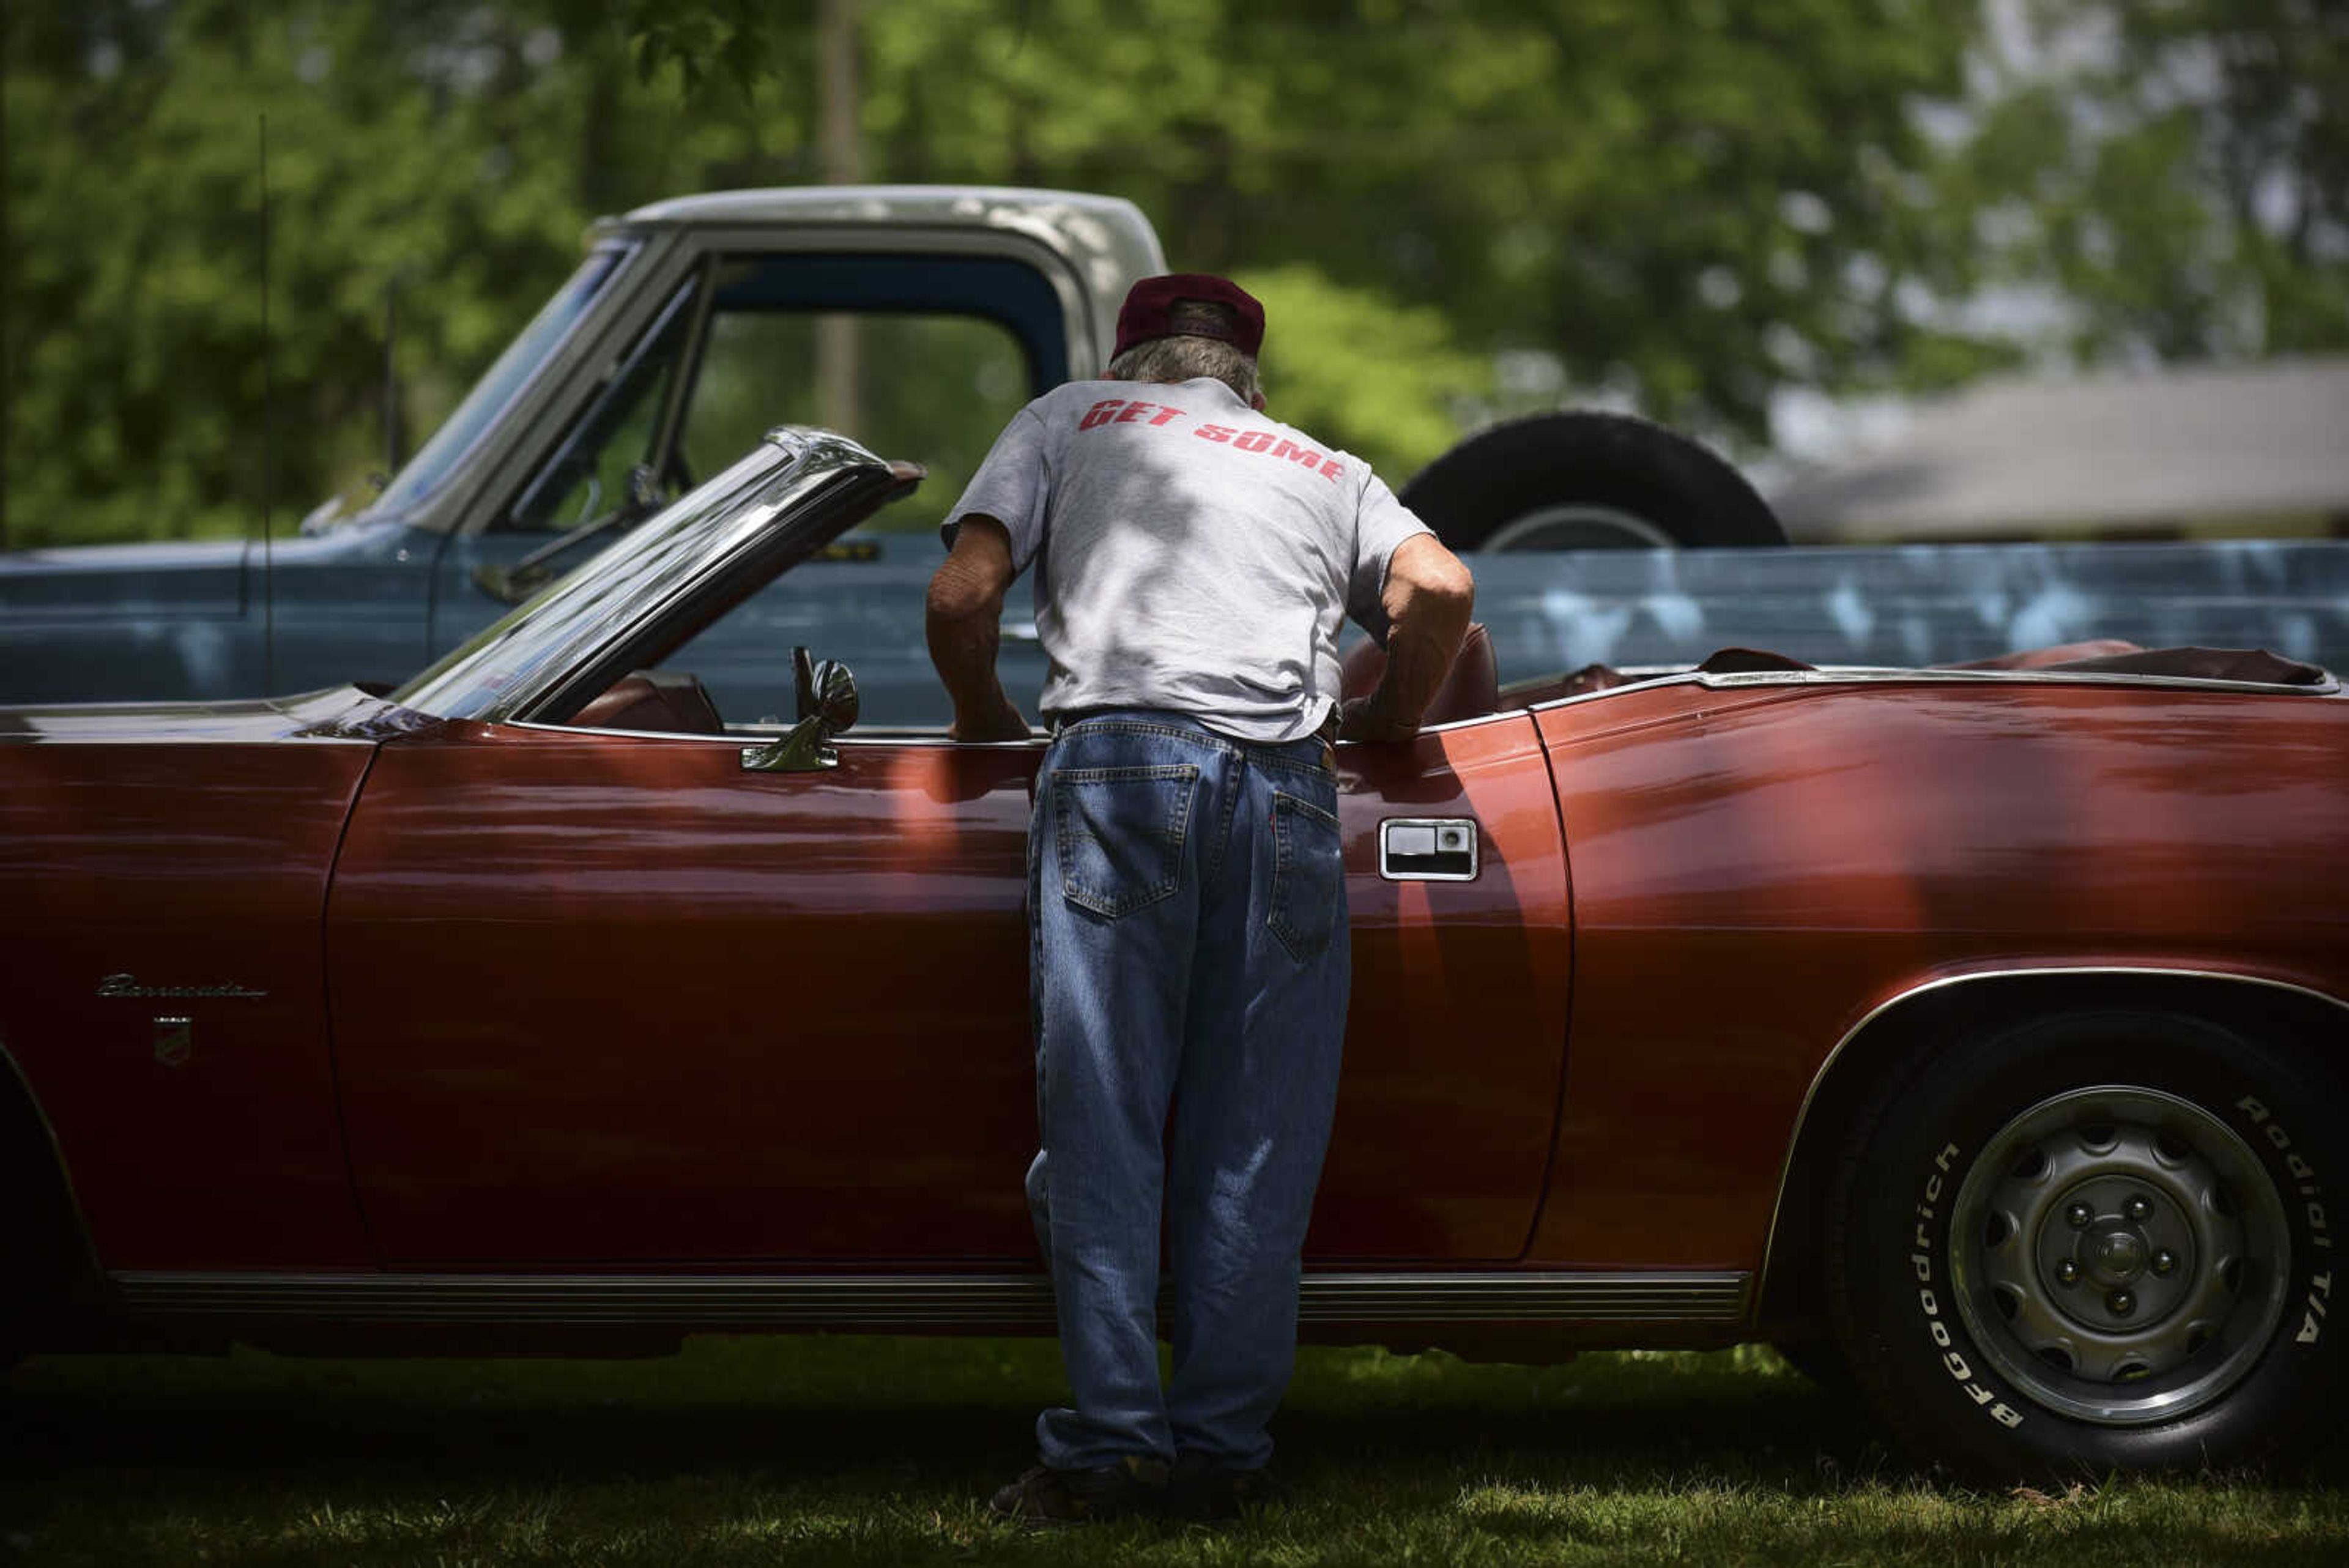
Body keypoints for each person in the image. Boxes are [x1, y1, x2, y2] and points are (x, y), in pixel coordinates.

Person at [924, 273, 1474, 1525]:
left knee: (1107, 1113)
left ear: (1135, 363)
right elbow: (1437, 591)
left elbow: (963, 595)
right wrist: (1387, 716)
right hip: (1288, 789)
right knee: (1257, 1133)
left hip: (1120, 769)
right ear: (1252, 384)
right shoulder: (1324, 466)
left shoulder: (1072, 417)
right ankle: (1223, 1449)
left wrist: (984, 719)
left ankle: (1113, 1448)